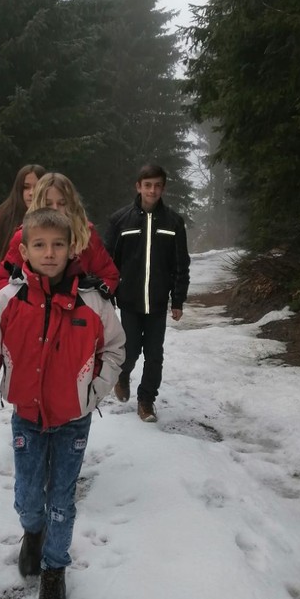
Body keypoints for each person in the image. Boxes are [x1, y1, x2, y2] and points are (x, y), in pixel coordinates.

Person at [0, 208, 125, 599]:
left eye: (58, 245)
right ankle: (32, 532)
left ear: (73, 248)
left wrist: (93, 392)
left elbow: (115, 350)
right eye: (40, 245)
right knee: (30, 498)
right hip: (28, 419)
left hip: (74, 421)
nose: (49, 253)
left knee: (61, 501)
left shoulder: (93, 300)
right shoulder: (8, 302)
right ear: (24, 250)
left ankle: (54, 571)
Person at [104, 164, 190, 423]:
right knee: (129, 351)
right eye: (148, 184)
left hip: (157, 302)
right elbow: (108, 263)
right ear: (138, 186)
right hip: (129, 302)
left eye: (157, 185)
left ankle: (146, 401)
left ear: (163, 188)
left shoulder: (173, 222)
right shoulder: (120, 220)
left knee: (154, 354)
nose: (152, 190)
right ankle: (122, 375)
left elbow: (180, 264)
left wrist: (178, 300)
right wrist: (107, 295)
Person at [0, 172, 119, 296]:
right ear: (38, 203)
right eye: (48, 203)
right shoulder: (24, 236)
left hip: (75, 311)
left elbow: (109, 276)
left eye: (62, 203)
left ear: (71, 205)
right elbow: (2, 279)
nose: (55, 208)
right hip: (34, 312)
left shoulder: (85, 234)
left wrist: (90, 303)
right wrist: (23, 303)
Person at [0, 164, 46, 320]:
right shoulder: (2, 219)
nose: (32, 193)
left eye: (37, 187)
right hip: (5, 308)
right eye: (26, 187)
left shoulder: (54, 221)